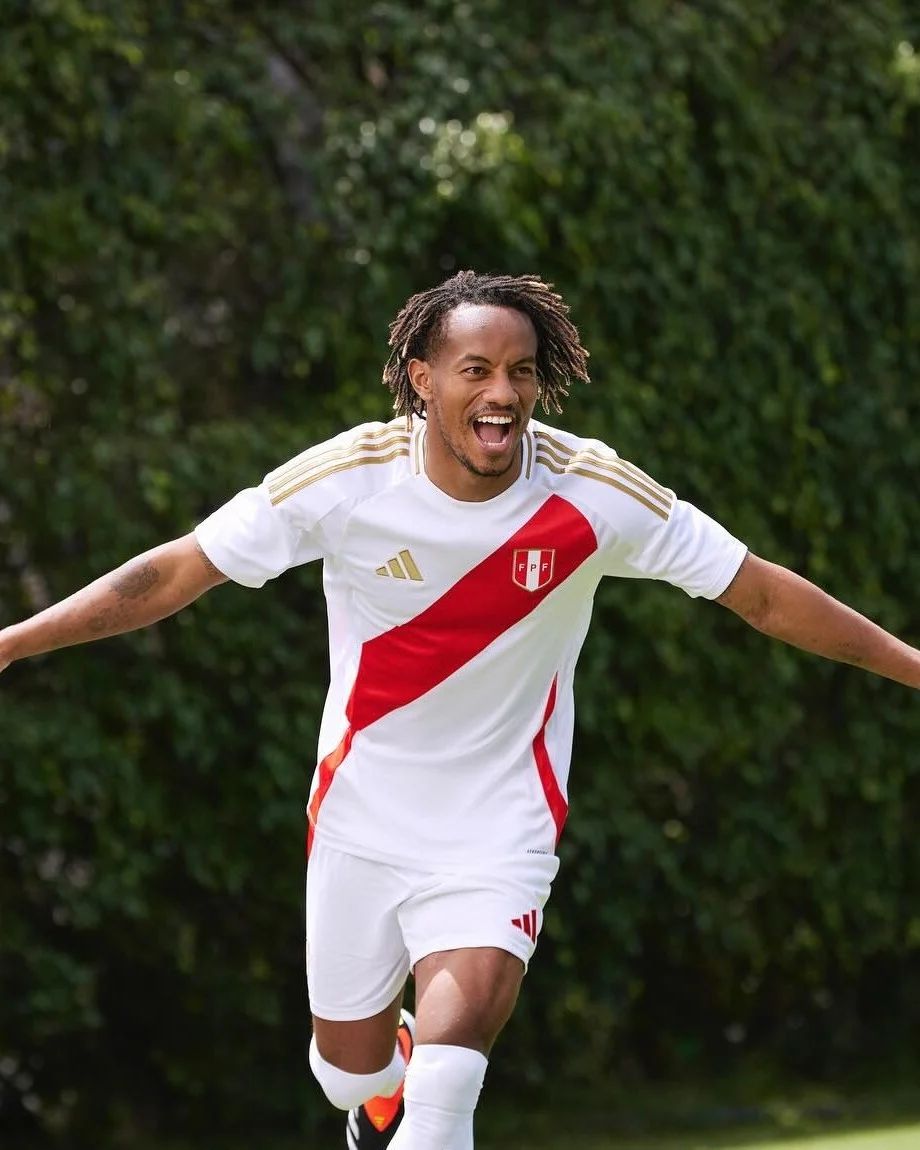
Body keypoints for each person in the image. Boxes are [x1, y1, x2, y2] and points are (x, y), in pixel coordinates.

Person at [1, 270, 918, 1150]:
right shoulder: (346, 479)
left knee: (450, 1085)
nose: (502, 394)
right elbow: (172, 572)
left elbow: (758, 593)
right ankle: (378, 1083)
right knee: (348, 1077)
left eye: (521, 371)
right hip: (361, 813)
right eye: (475, 370)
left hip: (498, 824)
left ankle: (419, 1089)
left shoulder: (593, 492)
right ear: (421, 379)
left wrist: (912, 667)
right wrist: (12, 642)